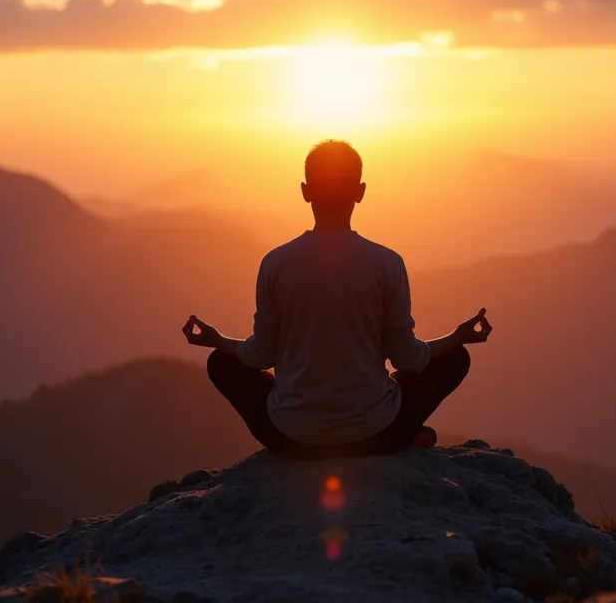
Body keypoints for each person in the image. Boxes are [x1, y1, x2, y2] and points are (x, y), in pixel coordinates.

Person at [181, 140, 493, 460]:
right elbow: (407, 359)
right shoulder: (387, 264)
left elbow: (259, 356)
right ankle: (400, 434)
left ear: (305, 191)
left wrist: (216, 339)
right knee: (455, 358)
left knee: (221, 362)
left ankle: (312, 424)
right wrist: (459, 336)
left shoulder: (275, 263)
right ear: (360, 192)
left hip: (289, 438)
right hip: (377, 432)